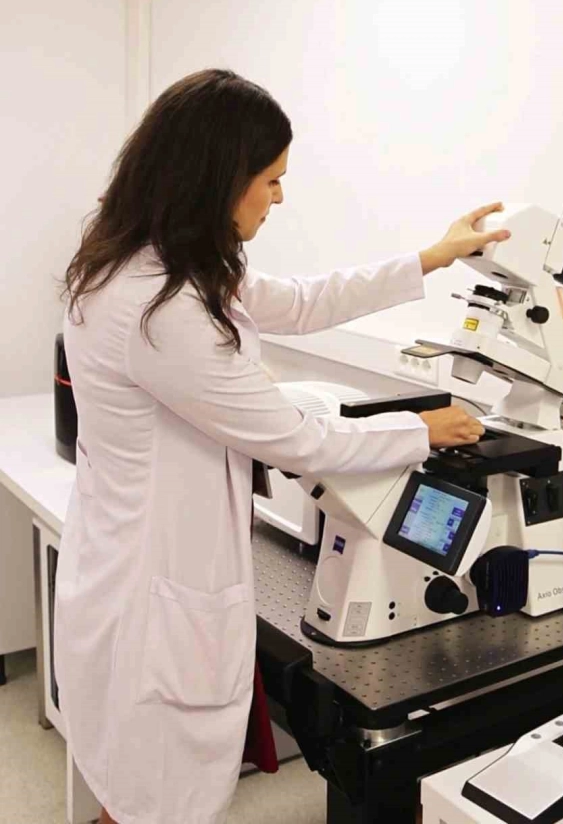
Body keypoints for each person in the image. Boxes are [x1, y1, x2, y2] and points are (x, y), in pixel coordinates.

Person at [55, 69, 510, 824]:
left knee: (132, 798)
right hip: (151, 600)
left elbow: (301, 302)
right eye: (270, 180)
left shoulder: (153, 263)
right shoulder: (158, 308)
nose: (279, 197)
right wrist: (420, 429)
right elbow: (296, 438)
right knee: (152, 804)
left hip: (128, 569)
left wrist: (432, 257)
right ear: (216, 179)